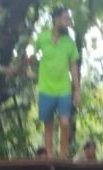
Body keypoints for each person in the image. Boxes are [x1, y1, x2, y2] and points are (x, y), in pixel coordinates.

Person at [34, 6, 81, 159]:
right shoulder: (42, 37)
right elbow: (31, 53)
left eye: (69, 19)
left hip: (64, 90)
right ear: (56, 19)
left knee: (65, 123)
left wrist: (77, 91)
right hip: (46, 88)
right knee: (48, 125)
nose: (68, 22)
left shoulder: (69, 43)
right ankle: (49, 157)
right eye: (66, 19)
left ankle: (62, 156)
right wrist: (26, 64)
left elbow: (73, 68)